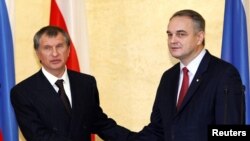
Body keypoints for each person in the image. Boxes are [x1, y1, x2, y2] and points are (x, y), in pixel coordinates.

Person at [130, 9, 245, 141]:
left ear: (199, 37)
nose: (172, 40)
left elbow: (230, 133)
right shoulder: (168, 77)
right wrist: (107, 128)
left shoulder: (224, 74)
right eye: (169, 34)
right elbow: (157, 131)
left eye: (181, 34)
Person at [11, 25, 134, 141]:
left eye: (60, 46)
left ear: (69, 50)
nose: (55, 53)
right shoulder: (23, 92)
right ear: (38, 53)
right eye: (47, 48)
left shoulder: (86, 83)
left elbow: (99, 123)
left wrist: (139, 139)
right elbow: (37, 136)